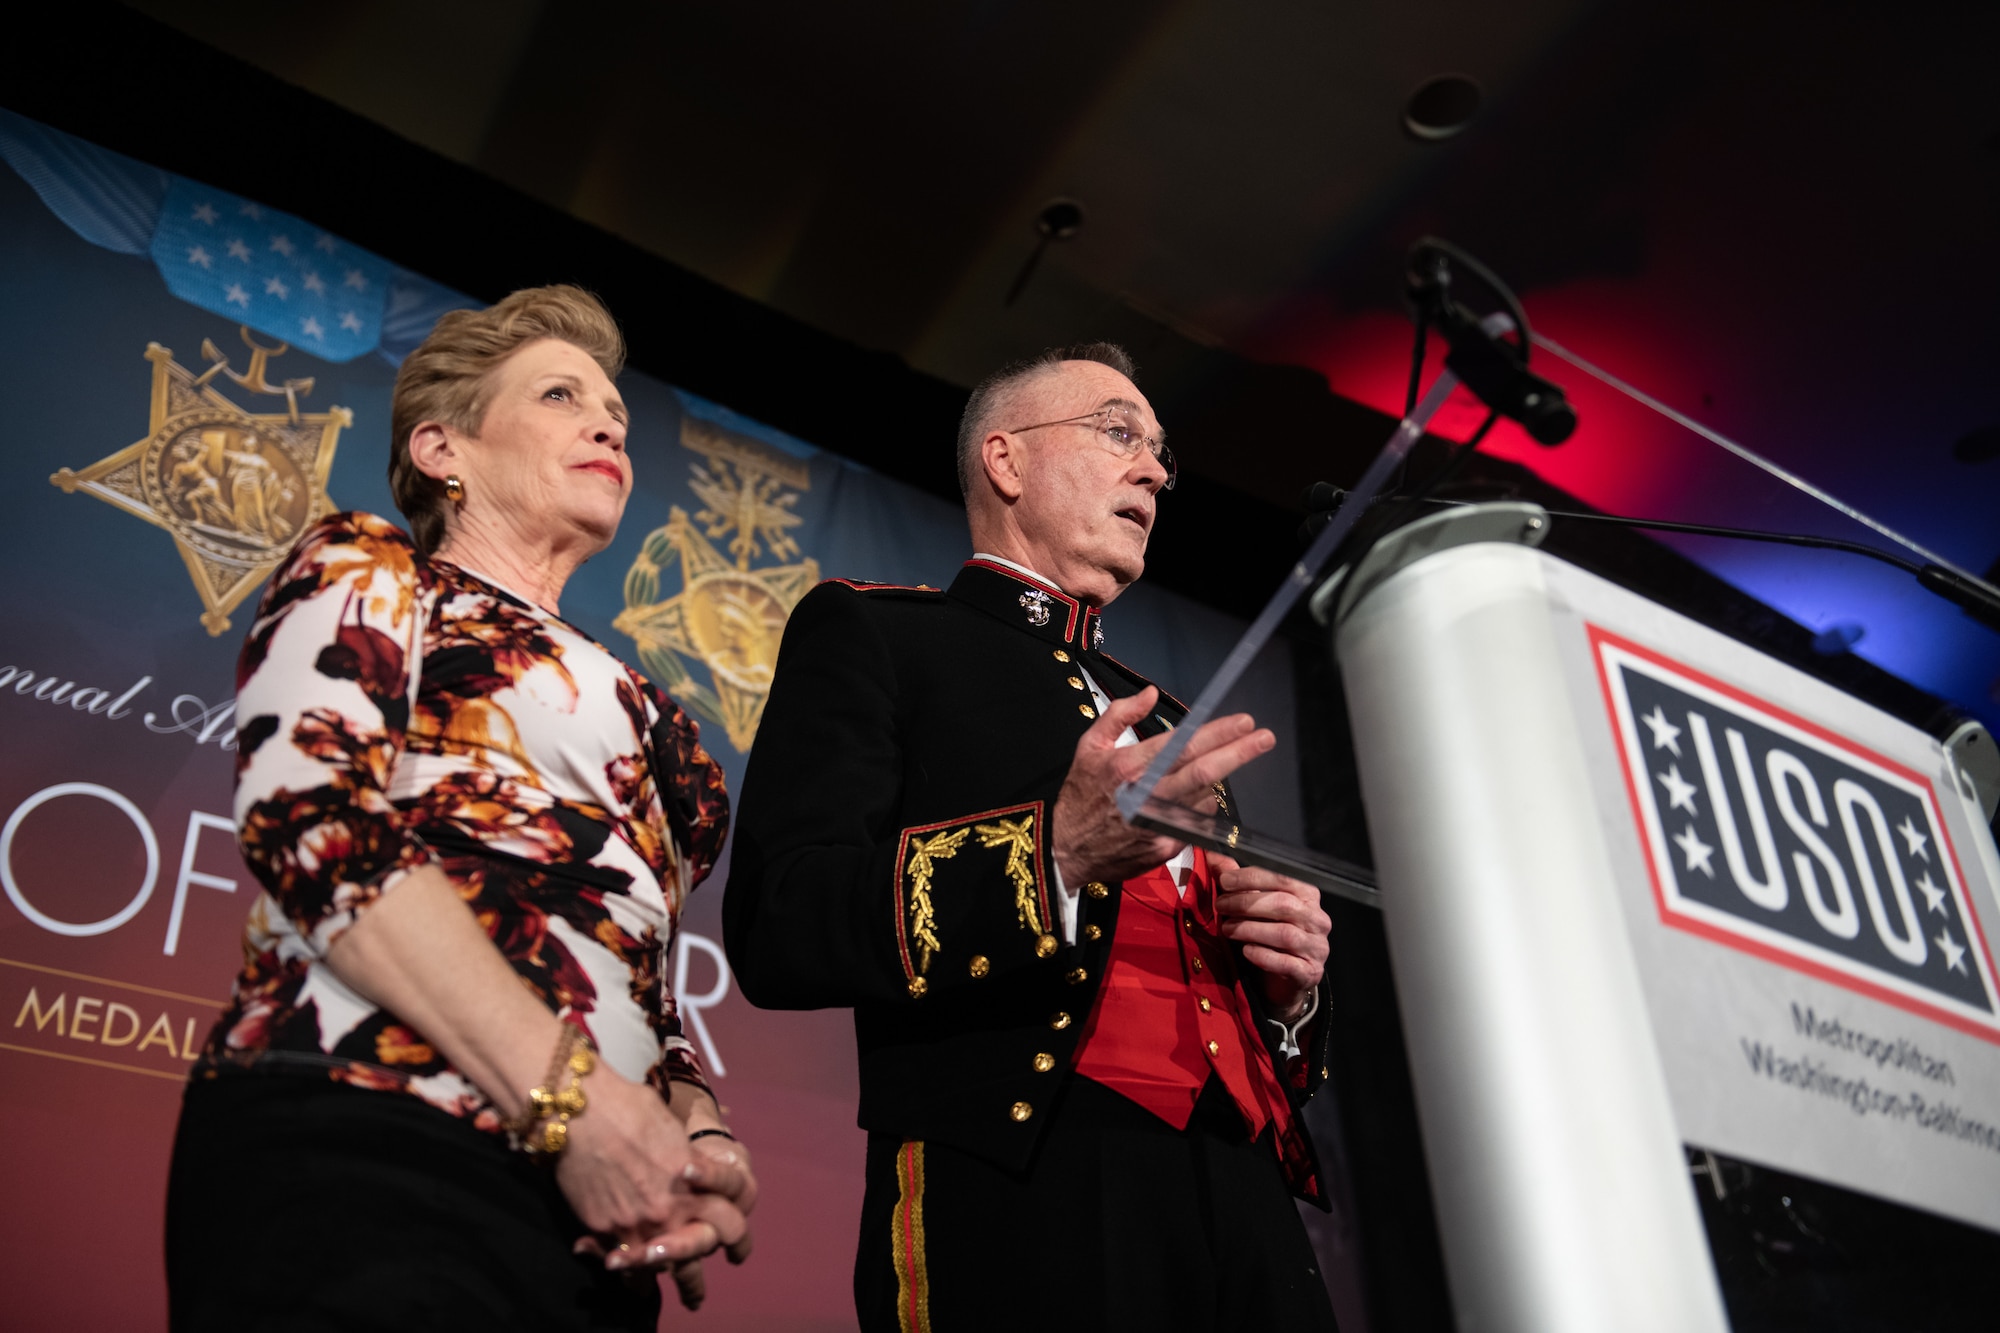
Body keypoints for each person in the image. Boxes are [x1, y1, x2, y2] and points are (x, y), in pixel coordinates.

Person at [165, 286, 755, 1331]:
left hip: (594, 1213)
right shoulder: (371, 569)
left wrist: (694, 1128)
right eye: (561, 394)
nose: (607, 423)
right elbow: (314, 821)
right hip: (363, 1135)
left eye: (614, 411)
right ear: (444, 448)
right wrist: (575, 1106)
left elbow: (640, 986)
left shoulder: (669, 735)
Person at [726, 343, 1339, 1331]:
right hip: (1029, 1175)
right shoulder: (877, 636)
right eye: (1116, 432)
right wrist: (1049, 855)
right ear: (1005, 462)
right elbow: (780, 921)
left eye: (1159, 453)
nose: (1150, 468)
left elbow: (1256, 1029)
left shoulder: (1167, 719)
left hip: (1242, 1199)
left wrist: (1284, 986)